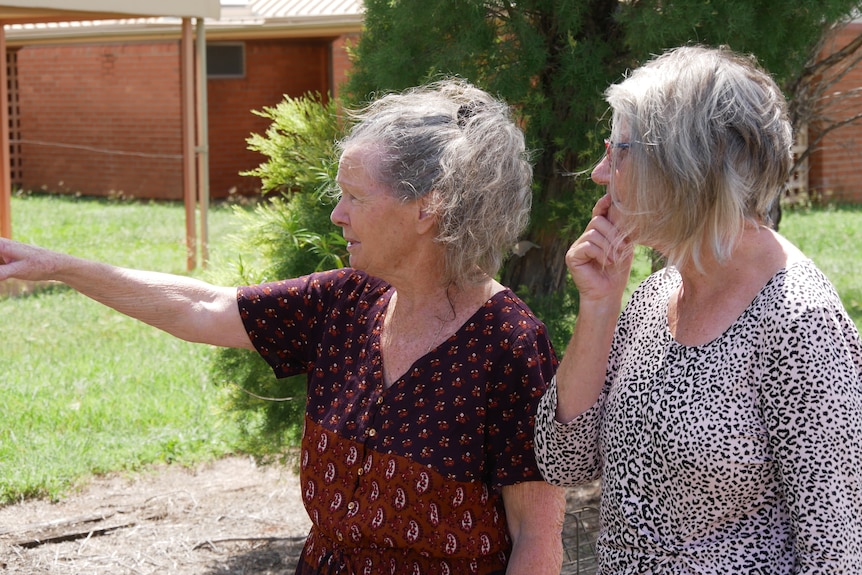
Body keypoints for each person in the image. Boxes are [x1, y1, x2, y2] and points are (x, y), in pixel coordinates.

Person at [0, 79, 565, 574]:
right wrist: (63, 268)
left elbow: (537, 537)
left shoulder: (510, 346)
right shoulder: (347, 301)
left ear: (428, 208)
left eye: (354, 197)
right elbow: (198, 307)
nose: (337, 214)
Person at [534, 45, 862, 573]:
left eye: (618, 152)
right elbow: (563, 461)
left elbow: (836, 554)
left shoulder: (799, 323)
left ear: (686, 166)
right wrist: (598, 307)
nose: (599, 173)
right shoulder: (652, 298)